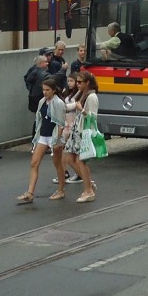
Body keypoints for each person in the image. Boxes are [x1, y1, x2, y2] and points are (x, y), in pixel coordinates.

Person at [17, 76, 67, 203]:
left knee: (58, 164)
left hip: (54, 137)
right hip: (43, 136)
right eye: (43, 90)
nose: (45, 92)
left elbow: (61, 124)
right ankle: (30, 192)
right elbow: (39, 119)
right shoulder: (42, 101)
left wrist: (56, 140)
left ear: (53, 90)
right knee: (34, 163)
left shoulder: (59, 103)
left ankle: (61, 190)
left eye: (47, 90)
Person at [62, 70, 99, 203]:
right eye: (76, 82)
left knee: (80, 160)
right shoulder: (82, 94)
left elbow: (93, 117)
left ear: (87, 83)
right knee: (69, 158)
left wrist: (81, 110)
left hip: (84, 131)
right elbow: (70, 106)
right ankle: (89, 183)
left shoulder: (92, 97)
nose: (77, 84)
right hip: (77, 129)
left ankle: (88, 190)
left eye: (79, 82)